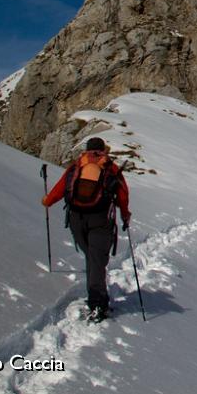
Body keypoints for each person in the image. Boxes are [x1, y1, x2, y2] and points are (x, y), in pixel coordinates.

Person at [42, 137, 131, 322]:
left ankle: (96, 295)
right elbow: (122, 193)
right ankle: (97, 303)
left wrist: (47, 201)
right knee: (97, 260)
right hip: (101, 220)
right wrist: (125, 214)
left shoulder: (77, 166)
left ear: (87, 149)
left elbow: (60, 188)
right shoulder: (110, 167)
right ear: (103, 149)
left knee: (92, 258)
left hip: (77, 219)